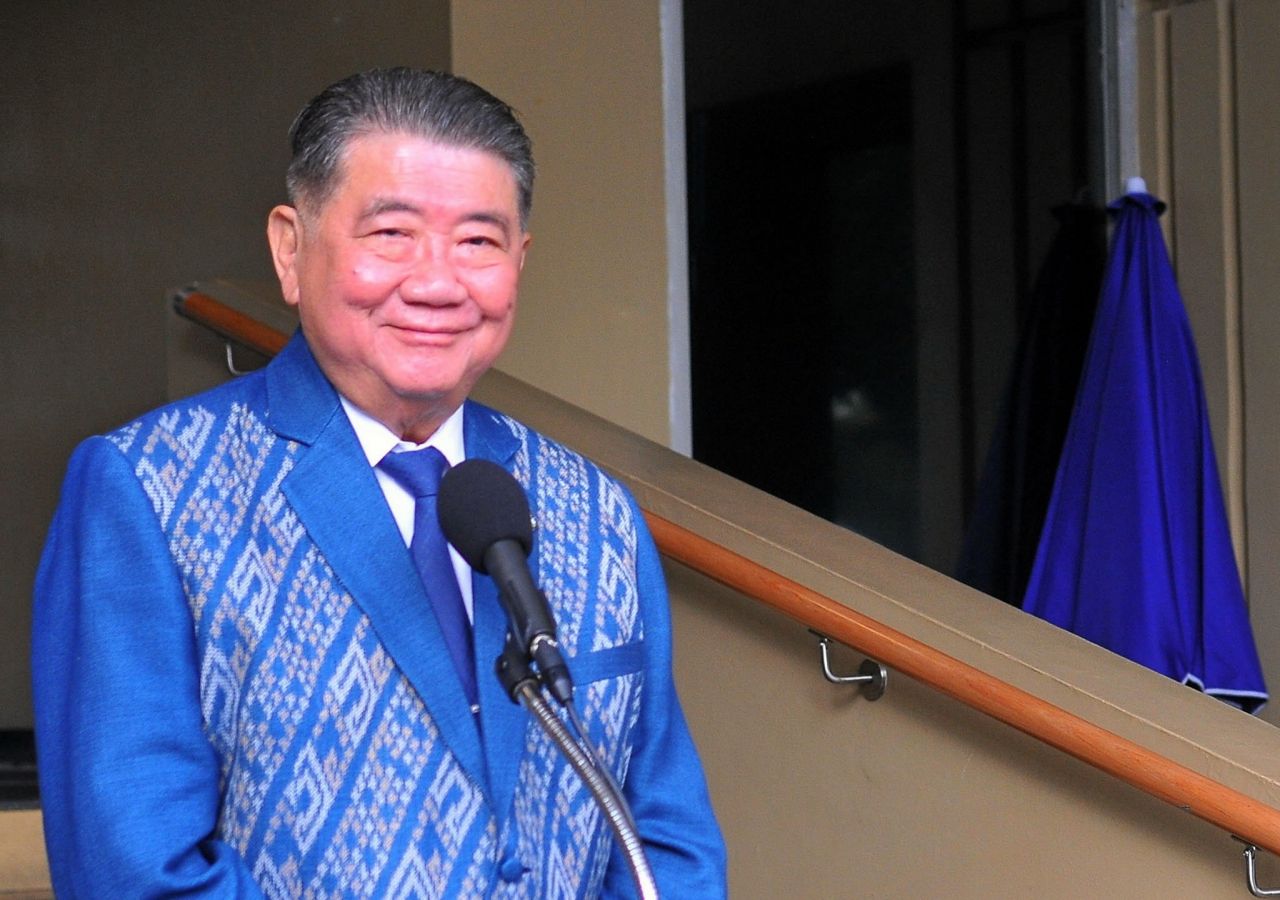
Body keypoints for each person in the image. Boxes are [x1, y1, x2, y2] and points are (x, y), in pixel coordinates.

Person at [33, 67, 726, 898]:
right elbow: (136, 872)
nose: (436, 284)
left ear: (520, 261)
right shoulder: (149, 489)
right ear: (291, 249)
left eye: (478, 242)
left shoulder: (596, 510)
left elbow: (667, 844)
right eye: (392, 234)